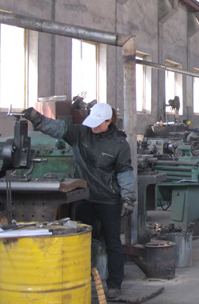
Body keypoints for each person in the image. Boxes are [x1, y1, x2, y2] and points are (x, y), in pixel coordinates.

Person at [23, 103, 136, 299]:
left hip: (109, 200)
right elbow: (58, 128)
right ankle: (82, 279)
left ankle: (114, 284)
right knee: (83, 241)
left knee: (112, 243)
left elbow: (124, 172)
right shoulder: (80, 134)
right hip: (85, 198)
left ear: (108, 121)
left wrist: (128, 197)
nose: (93, 127)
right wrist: (38, 119)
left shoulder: (119, 145)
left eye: (98, 124)